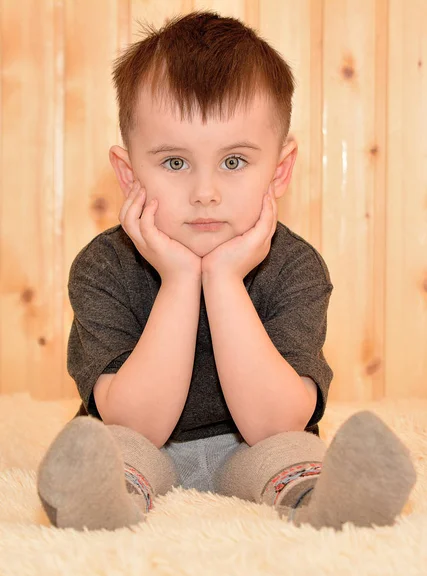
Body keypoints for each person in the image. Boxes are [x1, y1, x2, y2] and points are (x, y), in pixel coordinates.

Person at [37, 10, 416, 532]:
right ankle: (100, 505)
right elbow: (137, 423)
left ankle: (326, 502)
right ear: (128, 175)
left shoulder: (295, 268)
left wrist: (223, 279)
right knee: (114, 448)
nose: (205, 192)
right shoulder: (104, 266)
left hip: (252, 446)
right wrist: (177, 280)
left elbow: (276, 423)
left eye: (234, 162)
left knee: (293, 451)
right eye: (175, 163)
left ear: (279, 171)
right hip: (144, 447)